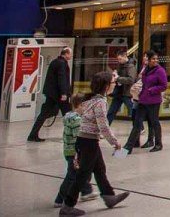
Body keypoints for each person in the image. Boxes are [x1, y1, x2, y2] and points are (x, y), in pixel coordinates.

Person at [58, 71, 129, 216]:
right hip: (88, 141)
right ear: (106, 85)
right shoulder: (100, 102)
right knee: (83, 174)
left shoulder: (91, 99)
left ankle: (109, 196)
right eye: (113, 82)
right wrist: (115, 142)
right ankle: (68, 205)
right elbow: (103, 125)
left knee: (99, 169)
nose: (115, 85)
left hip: (86, 140)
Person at [54, 93, 98, 208]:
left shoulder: (70, 117)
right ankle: (60, 198)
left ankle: (86, 191)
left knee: (81, 172)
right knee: (72, 176)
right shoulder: (77, 121)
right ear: (79, 105)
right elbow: (78, 138)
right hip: (75, 153)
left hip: (70, 151)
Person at [28, 46, 72, 142]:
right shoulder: (62, 63)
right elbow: (62, 79)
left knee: (44, 114)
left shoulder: (55, 61)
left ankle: (32, 134)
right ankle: (70, 135)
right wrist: (64, 93)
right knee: (68, 115)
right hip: (59, 95)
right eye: (70, 54)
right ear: (66, 54)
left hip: (51, 94)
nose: (71, 56)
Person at [126, 50, 167, 152]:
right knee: (137, 124)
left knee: (154, 122)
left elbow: (164, 85)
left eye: (156, 59)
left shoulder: (160, 70)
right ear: (147, 60)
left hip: (153, 101)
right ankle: (128, 147)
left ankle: (158, 144)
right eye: (153, 59)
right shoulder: (145, 70)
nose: (155, 60)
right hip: (142, 100)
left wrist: (151, 90)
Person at [106, 50, 136, 125]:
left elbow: (131, 79)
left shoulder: (131, 66)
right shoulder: (119, 65)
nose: (119, 61)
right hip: (118, 92)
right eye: (118, 59)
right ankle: (105, 127)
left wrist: (118, 78)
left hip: (127, 93)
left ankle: (139, 127)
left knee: (132, 111)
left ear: (125, 56)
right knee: (111, 111)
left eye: (120, 59)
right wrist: (115, 74)